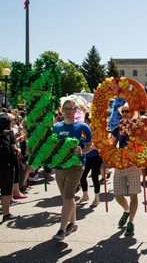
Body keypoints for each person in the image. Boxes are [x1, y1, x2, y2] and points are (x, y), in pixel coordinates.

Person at [52, 100, 93, 241]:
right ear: (62, 111)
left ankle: (62, 230)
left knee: (68, 197)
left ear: (76, 111)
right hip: (59, 167)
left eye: (71, 108)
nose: (69, 111)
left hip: (76, 167)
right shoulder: (56, 127)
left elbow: (90, 146)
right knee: (66, 198)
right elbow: (52, 147)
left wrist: (82, 151)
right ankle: (73, 223)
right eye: (66, 109)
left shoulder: (83, 127)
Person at [111, 103, 143, 236]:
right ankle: (126, 210)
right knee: (117, 194)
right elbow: (112, 144)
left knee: (133, 193)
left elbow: (144, 143)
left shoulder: (139, 127)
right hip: (120, 163)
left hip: (134, 164)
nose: (124, 113)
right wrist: (107, 155)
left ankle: (131, 221)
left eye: (127, 111)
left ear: (132, 113)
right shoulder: (117, 128)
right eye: (122, 111)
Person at [77, 113, 103, 207]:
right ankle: (85, 195)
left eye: (89, 120)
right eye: (87, 120)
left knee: (94, 177)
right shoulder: (83, 130)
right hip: (86, 157)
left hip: (96, 157)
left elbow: (103, 143)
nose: (88, 122)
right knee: (82, 176)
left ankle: (97, 197)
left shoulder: (98, 129)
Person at [0, 113, 20, 223]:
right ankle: (6, 213)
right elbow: (13, 148)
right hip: (6, 166)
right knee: (6, 190)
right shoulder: (8, 134)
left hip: (4, 165)